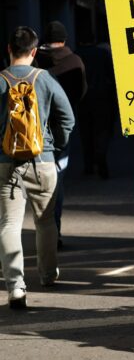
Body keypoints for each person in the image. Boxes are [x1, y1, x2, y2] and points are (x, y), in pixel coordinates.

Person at [0, 26, 74, 309]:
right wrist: (56, 145)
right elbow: (67, 119)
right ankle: (47, 275)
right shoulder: (46, 80)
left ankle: (16, 286)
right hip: (43, 161)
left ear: (8, 49)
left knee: (8, 224)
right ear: (34, 52)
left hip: (6, 163)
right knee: (45, 222)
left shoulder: (0, 80)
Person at [35, 21, 87, 247]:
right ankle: (53, 230)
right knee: (56, 181)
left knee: (33, 184)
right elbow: (82, 92)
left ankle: (42, 232)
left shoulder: (35, 61)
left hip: (35, 130)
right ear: (64, 39)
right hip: (62, 129)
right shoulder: (75, 61)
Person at [76, 32, 117, 179]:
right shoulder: (102, 53)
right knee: (102, 130)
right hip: (102, 97)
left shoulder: (76, 55)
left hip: (83, 98)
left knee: (86, 132)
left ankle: (88, 165)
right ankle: (101, 156)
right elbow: (112, 76)